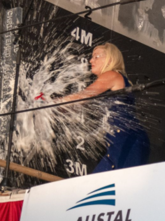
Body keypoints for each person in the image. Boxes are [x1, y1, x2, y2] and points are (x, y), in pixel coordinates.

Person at [60, 43, 150, 173]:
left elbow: (83, 97)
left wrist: (51, 104)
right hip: (125, 142)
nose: (91, 60)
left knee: (105, 186)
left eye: (96, 56)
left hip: (127, 141)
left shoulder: (112, 75)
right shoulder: (116, 79)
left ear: (110, 59)